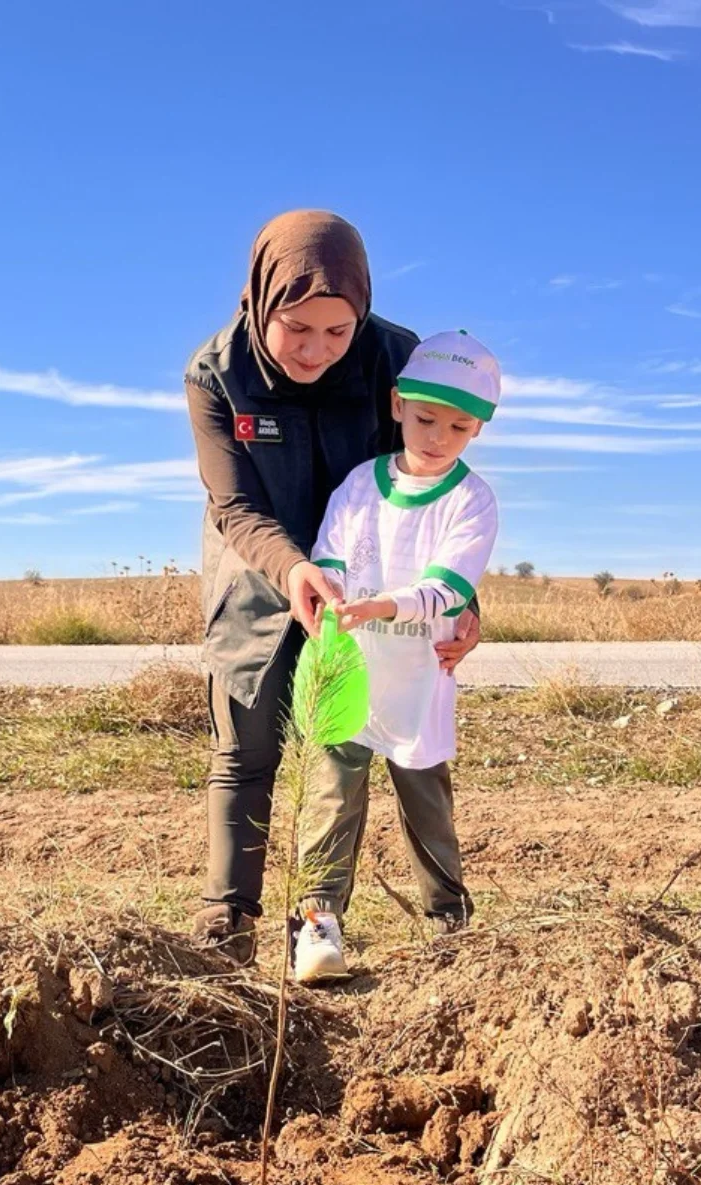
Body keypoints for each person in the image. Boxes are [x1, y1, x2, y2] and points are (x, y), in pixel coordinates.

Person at [186, 211, 481, 961]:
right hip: (259, 581)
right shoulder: (216, 375)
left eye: (337, 331)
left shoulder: (396, 359)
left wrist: (463, 598)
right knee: (247, 753)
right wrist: (292, 569)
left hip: (374, 600)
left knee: (387, 753)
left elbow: (435, 479)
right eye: (296, 329)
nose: (316, 351)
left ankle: (437, 922)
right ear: (258, 303)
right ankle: (228, 920)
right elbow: (236, 506)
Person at [292, 331, 501, 984]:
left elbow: (448, 586)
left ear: (477, 430)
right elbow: (330, 554)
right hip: (347, 670)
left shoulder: (472, 501)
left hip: (419, 682)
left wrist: (382, 607)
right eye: (425, 418)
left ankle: (448, 931)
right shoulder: (360, 487)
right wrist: (329, 597)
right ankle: (317, 930)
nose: (438, 435)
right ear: (397, 405)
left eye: (458, 426)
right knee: (328, 801)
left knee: (427, 810)